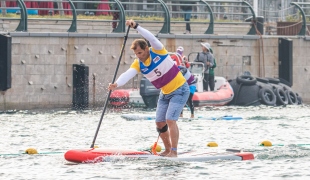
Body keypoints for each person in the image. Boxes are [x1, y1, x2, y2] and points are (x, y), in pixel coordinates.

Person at [108, 20, 190, 157]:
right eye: (136, 54)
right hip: (165, 93)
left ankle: (174, 152)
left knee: (170, 120)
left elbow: (151, 37)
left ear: (146, 48)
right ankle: (168, 149)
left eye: (140, 52)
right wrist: (116, 84)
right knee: (159, 123)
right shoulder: (138, 63)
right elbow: (128, 74)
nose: (139, 56)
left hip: (180, 89)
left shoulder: (158, 50)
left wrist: (137, 27)